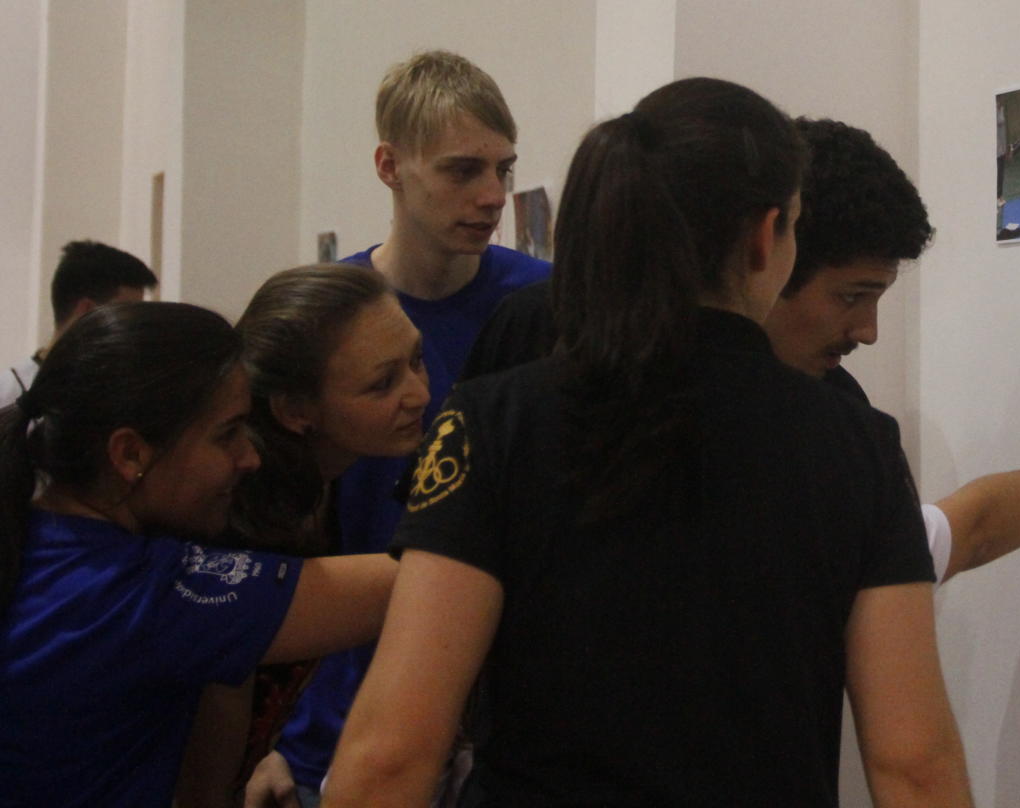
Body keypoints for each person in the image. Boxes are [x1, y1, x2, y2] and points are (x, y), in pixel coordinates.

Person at [326, 79, 972, 805]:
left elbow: (393, 752)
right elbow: (913, 764)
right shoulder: (855, 445)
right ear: (766, 237)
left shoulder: (493, 420)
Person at [463, 117, 1020, 587]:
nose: (868, 333)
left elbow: (956, 532)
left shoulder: (838, 426)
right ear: (768, 253)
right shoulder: (528, 355)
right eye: (852, 298)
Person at [274, 51, 548, 804]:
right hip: (353, 704)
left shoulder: (546, 306)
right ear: (390, 166)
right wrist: (288, 740)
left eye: (505, 168)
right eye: (463, 171)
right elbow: (294, 542)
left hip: (510, 708)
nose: (493, 195)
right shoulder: (330, 321)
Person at [0, 302, 395, 807]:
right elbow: (399, 589)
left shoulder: (38, 536)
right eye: (227, 433)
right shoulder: (131, 595)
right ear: (130, 454)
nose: (249, 457)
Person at [177, 265, 429, 806]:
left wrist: (264, 753)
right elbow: (203, 761)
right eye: (383, 382)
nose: (419, 394)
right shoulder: (241, 513)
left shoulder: (315, 482)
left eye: (418, 360)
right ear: (294, 410)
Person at [6, 240, 157, 406]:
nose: (131, 327)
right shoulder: (7, 393)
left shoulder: (122, 392)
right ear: (87, 311)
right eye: (124, 313)